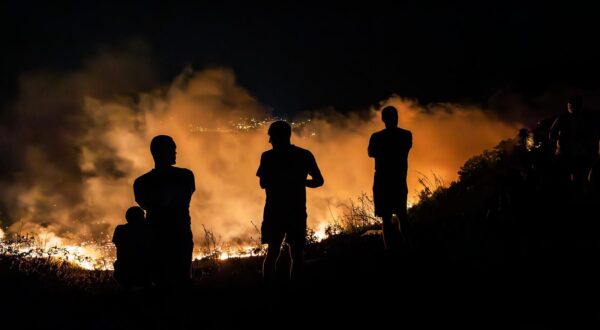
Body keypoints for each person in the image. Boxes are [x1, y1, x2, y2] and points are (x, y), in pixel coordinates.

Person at [257, 121, 324, 284]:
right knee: (297, 254)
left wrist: (279, 181)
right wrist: (300, 182)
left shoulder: (267, 157)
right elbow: (319, 181)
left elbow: (262, 183)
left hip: (275, 212)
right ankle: (295, 290)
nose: (270, 141)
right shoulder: (304, 155)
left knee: (272, 253)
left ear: (276, 137)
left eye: (271, 137)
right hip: (297, 211)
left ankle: (269, 290)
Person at [134, 135, 196, 288]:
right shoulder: (185, 176)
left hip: (156, 234)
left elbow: (145, 204)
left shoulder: (141, 182)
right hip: (179, 233)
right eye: (172, 150)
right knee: (182, 278)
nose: (175, 153)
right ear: (162, 152)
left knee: (160, 280)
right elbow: (186, 197)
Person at [368, 106, 412, 251]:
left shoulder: (376, 137)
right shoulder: (406, 135)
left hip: (382, 183)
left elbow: (371, 153)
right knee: (402, 216)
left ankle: (391, 253)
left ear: (383, 119)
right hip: (399, 181)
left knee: (386, 221)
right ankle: (409, 248)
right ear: (397, 117)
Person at [549, 95, 597, 196]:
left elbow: (552, 134)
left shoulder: (583, 119)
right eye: (569, 104)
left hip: (575, 154)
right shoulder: (564, 118)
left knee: (574, 180)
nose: (570, 106)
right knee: (566, 180)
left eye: (572, 104)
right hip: (568, 153)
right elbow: (552, 134)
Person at [112, 206, 149, 288]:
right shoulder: (144, 231)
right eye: (142, 216)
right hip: (140, 271)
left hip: (123, 272)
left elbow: (116, 242)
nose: (144, 218)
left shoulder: (120, 229)